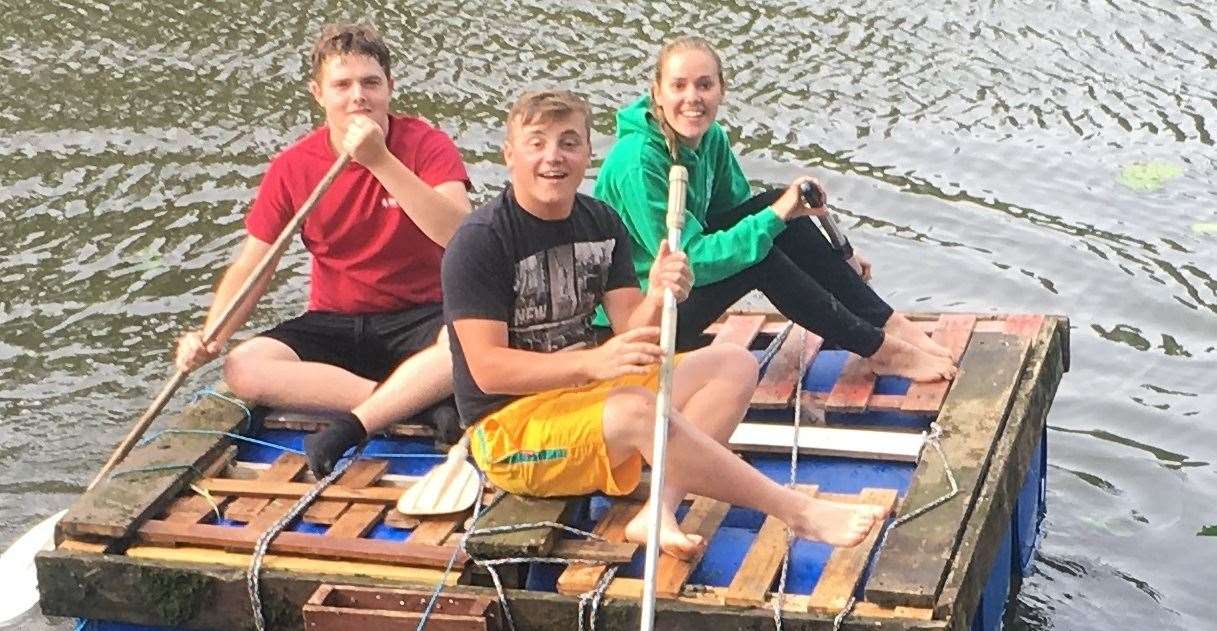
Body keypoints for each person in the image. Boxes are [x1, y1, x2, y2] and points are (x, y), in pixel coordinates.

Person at [442, 89, 882, 560]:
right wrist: (594, 364)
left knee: (732, 364)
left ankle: (659, 508)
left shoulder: (599, 220)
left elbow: (633, 327)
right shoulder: (481, 242)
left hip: (583, 400)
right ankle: (797, 511)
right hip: (510, 430)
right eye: (537, 143)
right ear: (510, 154)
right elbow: (488, 370)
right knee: (636, 408)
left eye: (569, 143)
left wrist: (658, 293)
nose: (553, 157)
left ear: (588, 154)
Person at [173, 23, 472, 475]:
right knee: (244, 367)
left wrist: (380, 161)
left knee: (465, 342)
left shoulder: (426, 145)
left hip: (422, 314)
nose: (358, 97)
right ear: (319, 93)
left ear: (390, 87)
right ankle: (411, 401)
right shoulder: (293, 166)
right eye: (343, 85)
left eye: (371, 83)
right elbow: (255, 264)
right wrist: (210, 336)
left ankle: (402, 396)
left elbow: (458, 235)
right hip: (337, 322)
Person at [594, 35, 958, 382]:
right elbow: (691, 263)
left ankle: (890, 324)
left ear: (722, 89)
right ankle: (880, 351)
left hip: (680, 296)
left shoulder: (711, 138)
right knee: (762, 250)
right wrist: (777, 216)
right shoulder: (638, 163)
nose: (693, 98)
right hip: (636, 323)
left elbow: (739, 212)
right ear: (657, 92)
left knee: (773, 209)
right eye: (679, 86)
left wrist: (833, 258)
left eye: (704, 85)